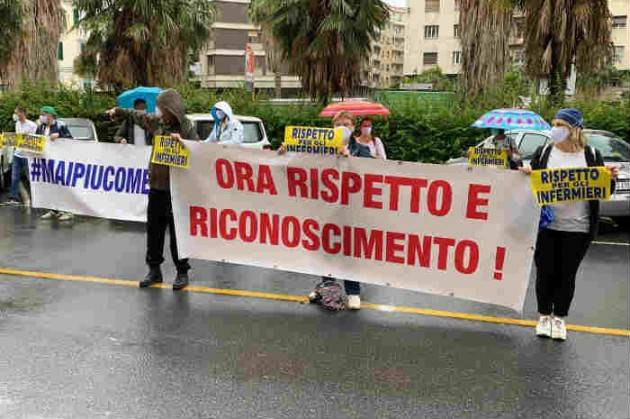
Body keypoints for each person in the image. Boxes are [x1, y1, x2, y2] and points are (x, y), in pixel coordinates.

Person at [521, 108, 619, 341]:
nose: (555, 129)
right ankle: (544, 316)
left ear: (574, 129)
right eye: (554, 124)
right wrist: (525, 174)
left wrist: (610, 179)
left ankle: (559, 318)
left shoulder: (592, 155)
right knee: (545, 272)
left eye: (560, 125)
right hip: (546, 225)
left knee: (567, 274)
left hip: (578, 227)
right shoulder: (544, 152)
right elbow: (530, 184)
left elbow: (602, 191)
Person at [107, 89, 200, 291]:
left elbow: (198, 150)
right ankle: (154, 270)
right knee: (154, 231)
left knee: (178, 234)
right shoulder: (157, 123)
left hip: (177, 190)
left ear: (172, 109)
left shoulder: (187, 126)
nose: (159, 112)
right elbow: (136, 115)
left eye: (162, 108)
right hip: (157, 186)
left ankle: (182, 272)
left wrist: (183, 142)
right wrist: (118, 111)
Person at [37, 106, 74, 221]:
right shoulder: (41, 127)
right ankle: (54, 209)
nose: (41, 116)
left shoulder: (60, 125)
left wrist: (60, 136)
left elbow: (71, 140)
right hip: (47, 162)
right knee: (51, 186)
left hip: (61, 161)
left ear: (50, 115)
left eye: (43, 114)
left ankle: (69, 211)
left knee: (64, 186)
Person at [6, 106, 37, 205]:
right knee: (14, 176)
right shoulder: (17, 124)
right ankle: (13, 198)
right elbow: (17, 138)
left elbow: (36, 140)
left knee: (30, 177)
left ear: (22, 113)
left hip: (28, 156)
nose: (15, 115)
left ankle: (36, 197)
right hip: (18, 154)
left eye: (16, 112)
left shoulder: (32, 125)